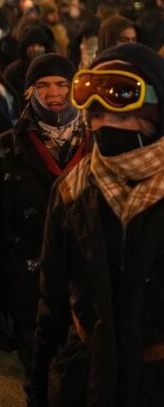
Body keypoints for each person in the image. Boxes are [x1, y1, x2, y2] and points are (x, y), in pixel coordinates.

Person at [31, 43, 164, 405]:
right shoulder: (71, 192)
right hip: (85, 378)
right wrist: (39, 385)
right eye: (99, 118)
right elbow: (53, 300)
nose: (108, 127)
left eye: (122, 118)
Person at [0, 54, 89, 379]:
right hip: (29, 297)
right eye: (43, 85)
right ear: (28, 92)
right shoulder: (1, 153)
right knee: (41, 385)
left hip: (94, 296)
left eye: (62, 84)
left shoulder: (101, 145)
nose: (54, 94)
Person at [3, 23, 56, 110]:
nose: (36, 49)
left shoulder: (53, 68)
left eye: (39, 46)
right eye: (32, 46)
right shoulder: (13, 71)